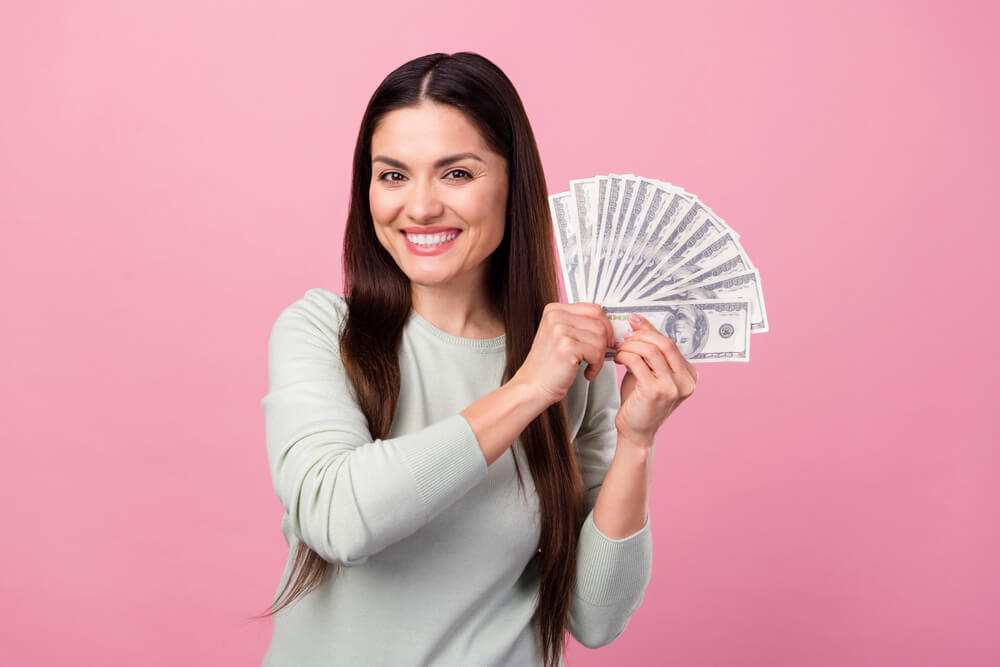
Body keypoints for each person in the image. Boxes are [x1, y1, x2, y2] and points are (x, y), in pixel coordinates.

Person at [254, 52, 700, 667]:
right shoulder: (322, 331)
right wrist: (526, 390)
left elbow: (593, 617)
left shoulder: (573, 363)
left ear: (513, 184)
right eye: (392, 175)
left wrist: (638, 441)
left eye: (456, 174)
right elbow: (339, 520)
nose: (420, 207)